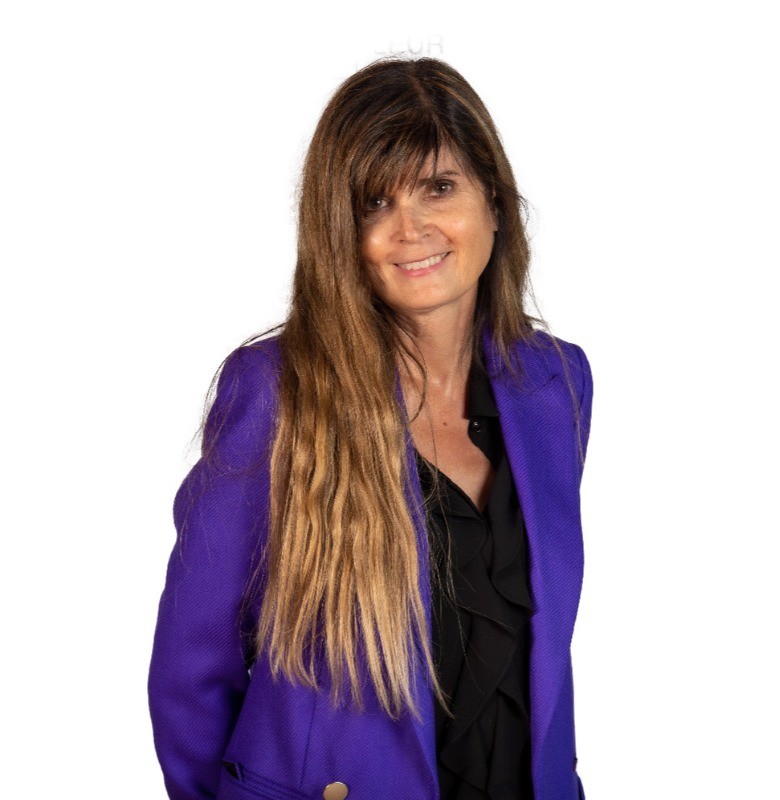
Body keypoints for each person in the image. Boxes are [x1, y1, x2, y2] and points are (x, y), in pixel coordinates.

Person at [148, 56, 593, 800]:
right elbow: (192, 668)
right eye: (374, 203)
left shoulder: (556, 385)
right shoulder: (277, 393)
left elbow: (537, 646)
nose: (409, 229)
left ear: (494, 201)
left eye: (439, 187)